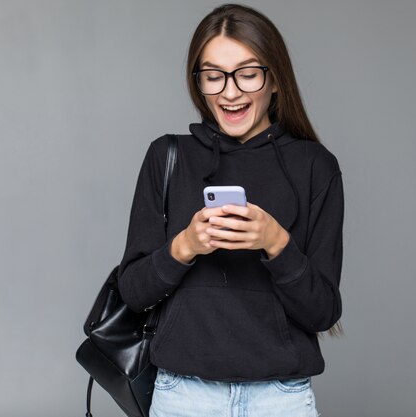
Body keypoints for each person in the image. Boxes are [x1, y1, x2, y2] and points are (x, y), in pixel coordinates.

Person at [117, 3, 344, 417]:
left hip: (280, 399)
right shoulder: (168, 157)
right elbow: (132, 292)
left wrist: (276, 243)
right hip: (182, 395)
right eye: (213, 75)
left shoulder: (315, 166)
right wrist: (185, 245)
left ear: (275, 80)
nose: (230, 90)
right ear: (198, 81)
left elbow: (323, 311)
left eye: (248, 73)